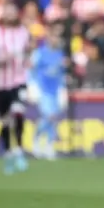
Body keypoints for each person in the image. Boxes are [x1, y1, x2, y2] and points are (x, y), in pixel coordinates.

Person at [0, 3, 31, 175]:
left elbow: (28, 52)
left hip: (19, 80)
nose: (11, 15)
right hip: (0, 83)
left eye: (13, 12)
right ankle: (8, 152)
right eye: (8, 12)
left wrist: (28, 61)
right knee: (4, 120)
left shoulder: (23, 32)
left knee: (18, 112)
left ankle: (19, 148)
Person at [31, 27, 66, 160]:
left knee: (54, 118)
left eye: (57, 37)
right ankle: (37, 139)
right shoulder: (39, 53)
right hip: (43, 89)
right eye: (53, 37)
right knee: (49, 116)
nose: (55, 39)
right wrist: (33, 87)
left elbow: (61, 73)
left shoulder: (59, 54)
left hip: (56, 90)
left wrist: (63, 89)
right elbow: (31, 69)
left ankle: (49, 145)